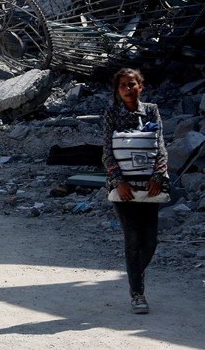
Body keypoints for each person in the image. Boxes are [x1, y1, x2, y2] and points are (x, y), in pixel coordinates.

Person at [102, 68, 168, 314]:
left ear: (140, 86)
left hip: (149, 186)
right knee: (132, 238)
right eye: (122, 86)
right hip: (123, 189)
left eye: (132, 84)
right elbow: (107, 151)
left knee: (150, 241)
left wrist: (158, 176)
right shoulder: (111, 113)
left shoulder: (151, 110)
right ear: (117, 90)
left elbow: (160, 147)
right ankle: (137, 293)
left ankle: (134, 275)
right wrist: (118, 180)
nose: (128, 89)